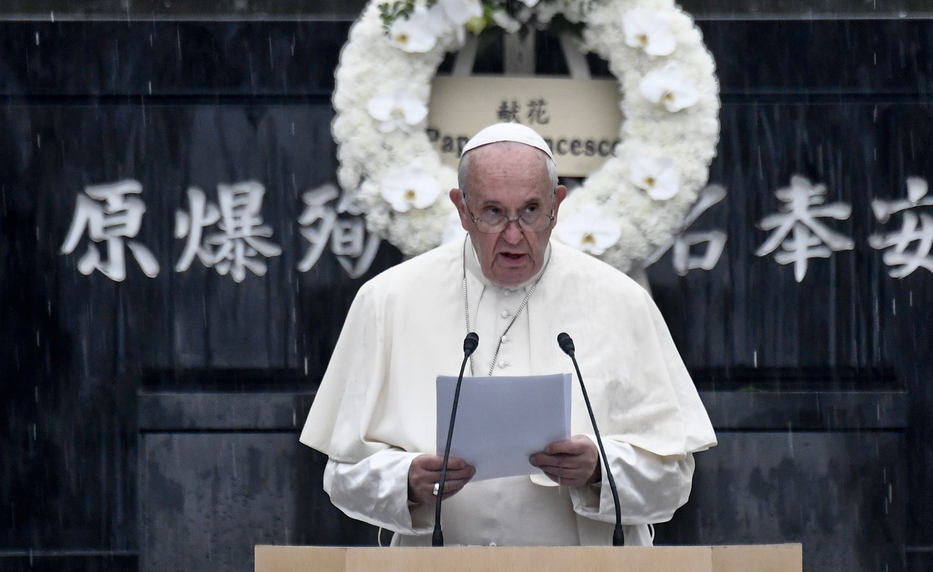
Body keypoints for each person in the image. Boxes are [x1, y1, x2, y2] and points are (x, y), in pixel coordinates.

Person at [300, 123, 716, 546]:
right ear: (462, 209)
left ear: (557, 205)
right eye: (494, 212)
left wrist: (598, 469)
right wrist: (405, 481)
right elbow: (342, 475)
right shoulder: (388, 300)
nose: (514, 235)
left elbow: (673, 482)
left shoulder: (621, 301)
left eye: (531, 210)